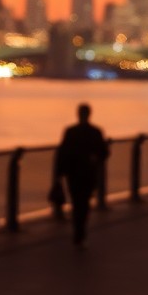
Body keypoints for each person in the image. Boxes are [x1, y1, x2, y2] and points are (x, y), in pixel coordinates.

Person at [54, 103, 110, 247]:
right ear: (89, 114)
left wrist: (58, 174)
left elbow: (62, 153)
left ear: (78, 114)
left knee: (76, 201)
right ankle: (80, 232)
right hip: (89, 173)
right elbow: (104, 153)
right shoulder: (95, 132)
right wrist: (95, 159)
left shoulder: (70, 132)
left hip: (73, 174)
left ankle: (77, 232)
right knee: (84, 203)